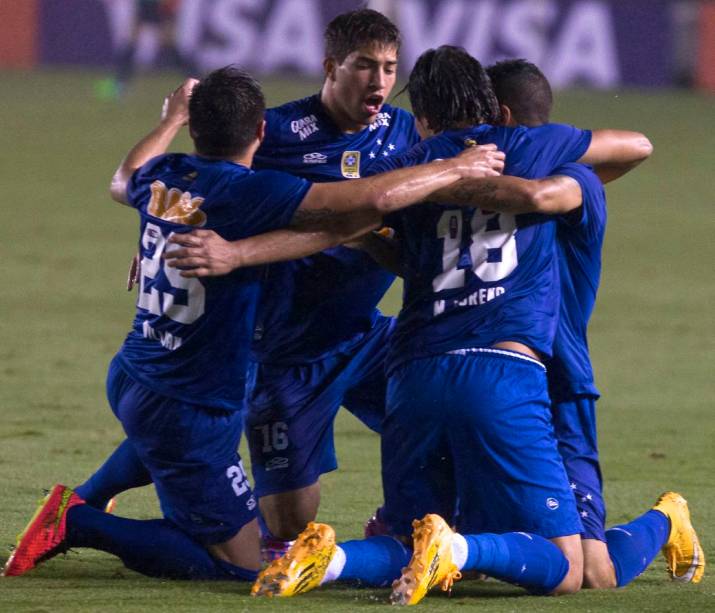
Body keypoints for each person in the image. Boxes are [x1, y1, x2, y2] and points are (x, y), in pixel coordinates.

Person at [165, 47, 666, 603]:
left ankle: (331, 559)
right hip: (504, 372)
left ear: (421, 118)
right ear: (494, 110)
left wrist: (236, 254)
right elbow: (633, 148)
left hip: (413, 373)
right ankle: (459, 549)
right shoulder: (530, 146)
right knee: (569, 567)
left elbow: (329, 229)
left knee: (408, 539)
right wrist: (513, 191)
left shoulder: (407, 169)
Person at [1, 65, 505, 580]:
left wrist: (169, 120)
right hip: (190, 401)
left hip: (141, 370)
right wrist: (457, 167)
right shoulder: (251, 194)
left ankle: (92, 497)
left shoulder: (166, 172)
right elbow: (369, 200)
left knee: (171, 448)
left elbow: (123, 177)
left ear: (194, 128)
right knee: (243, 566)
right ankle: (79, 523)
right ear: (262, 131)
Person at [76, 8, 425, 563]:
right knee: (288, 522)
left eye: (388, 67)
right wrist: (159, 245)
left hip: (365, 332)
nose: (379, 81)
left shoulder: (405, 131)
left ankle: (399, 523)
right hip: (289, 347)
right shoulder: (278, 132)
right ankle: (92, 506)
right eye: (364, 66)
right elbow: (208, 184)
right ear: (331, 66)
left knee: (438, 425)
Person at [485, 58, 705, 588]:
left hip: (560, 379)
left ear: (501, 115)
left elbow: (632, 148)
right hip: (498, 375)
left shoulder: (575, 184)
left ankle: (666, 518)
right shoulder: (486, 189)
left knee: (597, 576)